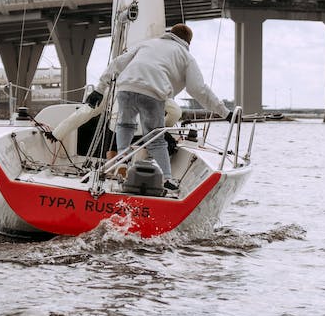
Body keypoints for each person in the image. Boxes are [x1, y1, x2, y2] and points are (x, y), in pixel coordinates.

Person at [84, 23, 231, 191]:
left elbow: (117, 63)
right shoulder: (186, 56)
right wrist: (224, 112)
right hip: (153, 93)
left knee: (125, 124)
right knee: (155, 139)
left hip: (126, 88)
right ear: (187, 42)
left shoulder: (147, 44)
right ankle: (168, 178)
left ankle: (121, 161)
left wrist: (99, 89)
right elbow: (198, 89)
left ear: (170, 34)